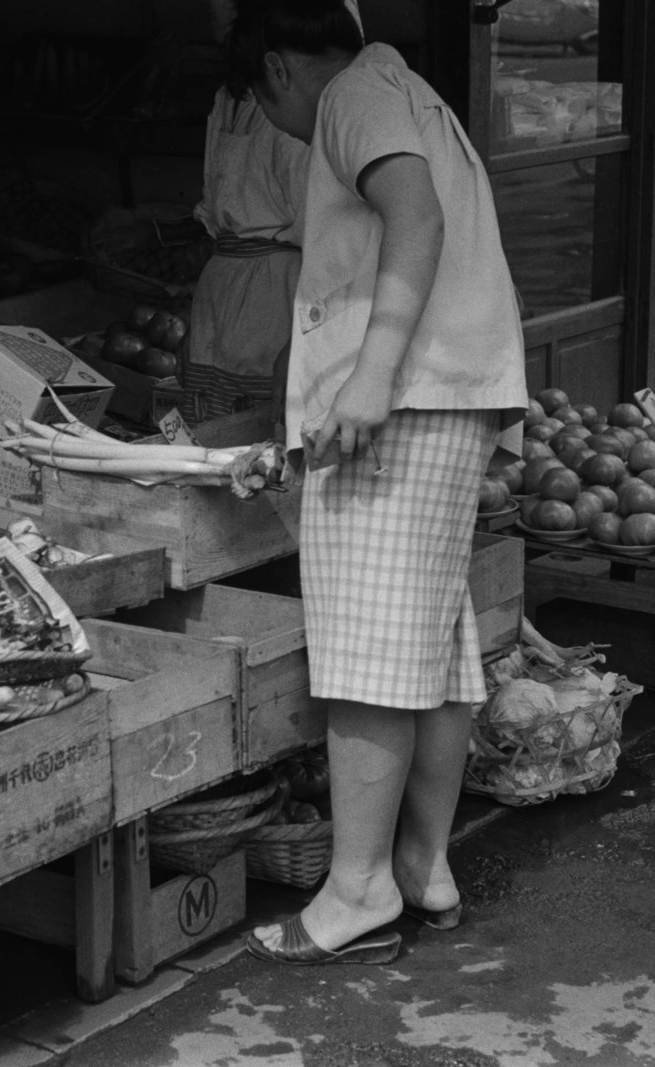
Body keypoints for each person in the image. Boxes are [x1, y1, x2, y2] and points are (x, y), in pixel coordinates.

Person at [225, 0, 528, 964]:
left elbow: (415, 216)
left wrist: (370, 371)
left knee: (365, 656)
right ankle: (420, 867)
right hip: (447, 392)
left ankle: (354, 891)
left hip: (410, 399)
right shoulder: (401, 85)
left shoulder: (354, 95)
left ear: (276, 70)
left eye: (260, 106)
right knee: (432, 647)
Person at [177, 1, 315, 424]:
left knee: (259, 432)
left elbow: (321, 233)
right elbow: (213, 203)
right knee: (211, 432)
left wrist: (302, 341)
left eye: (231, 28)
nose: (222, 39)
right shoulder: (225, 100)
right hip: (222, 291)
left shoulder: (292, 110)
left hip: (272, 297)